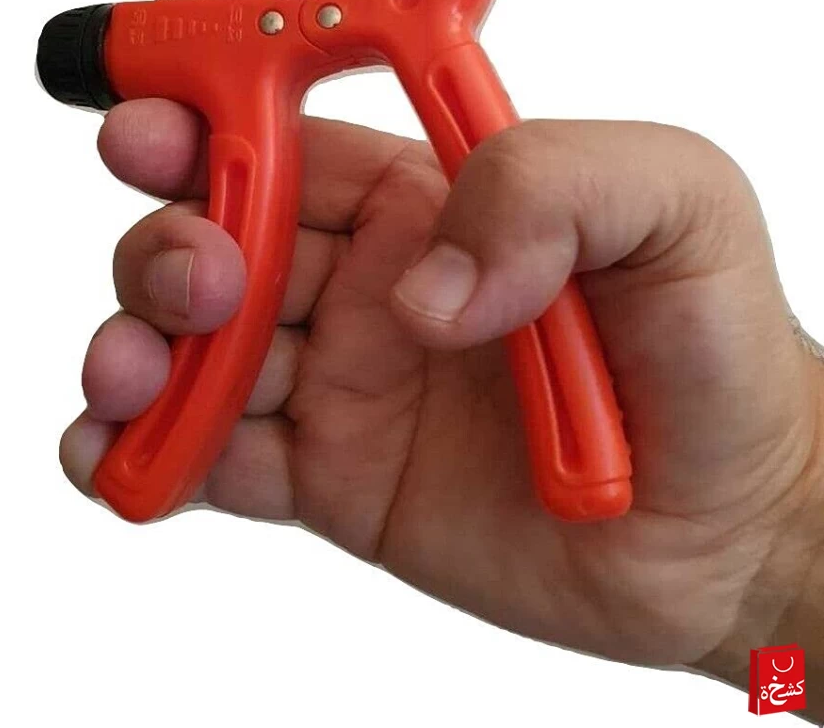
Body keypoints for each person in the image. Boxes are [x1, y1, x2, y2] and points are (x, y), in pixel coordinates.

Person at [60, 100, 823, 722]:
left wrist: (771, 569)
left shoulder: (750, 621)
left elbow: (771, 638)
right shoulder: (757, 639)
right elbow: (772, 648)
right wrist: (765, 587)